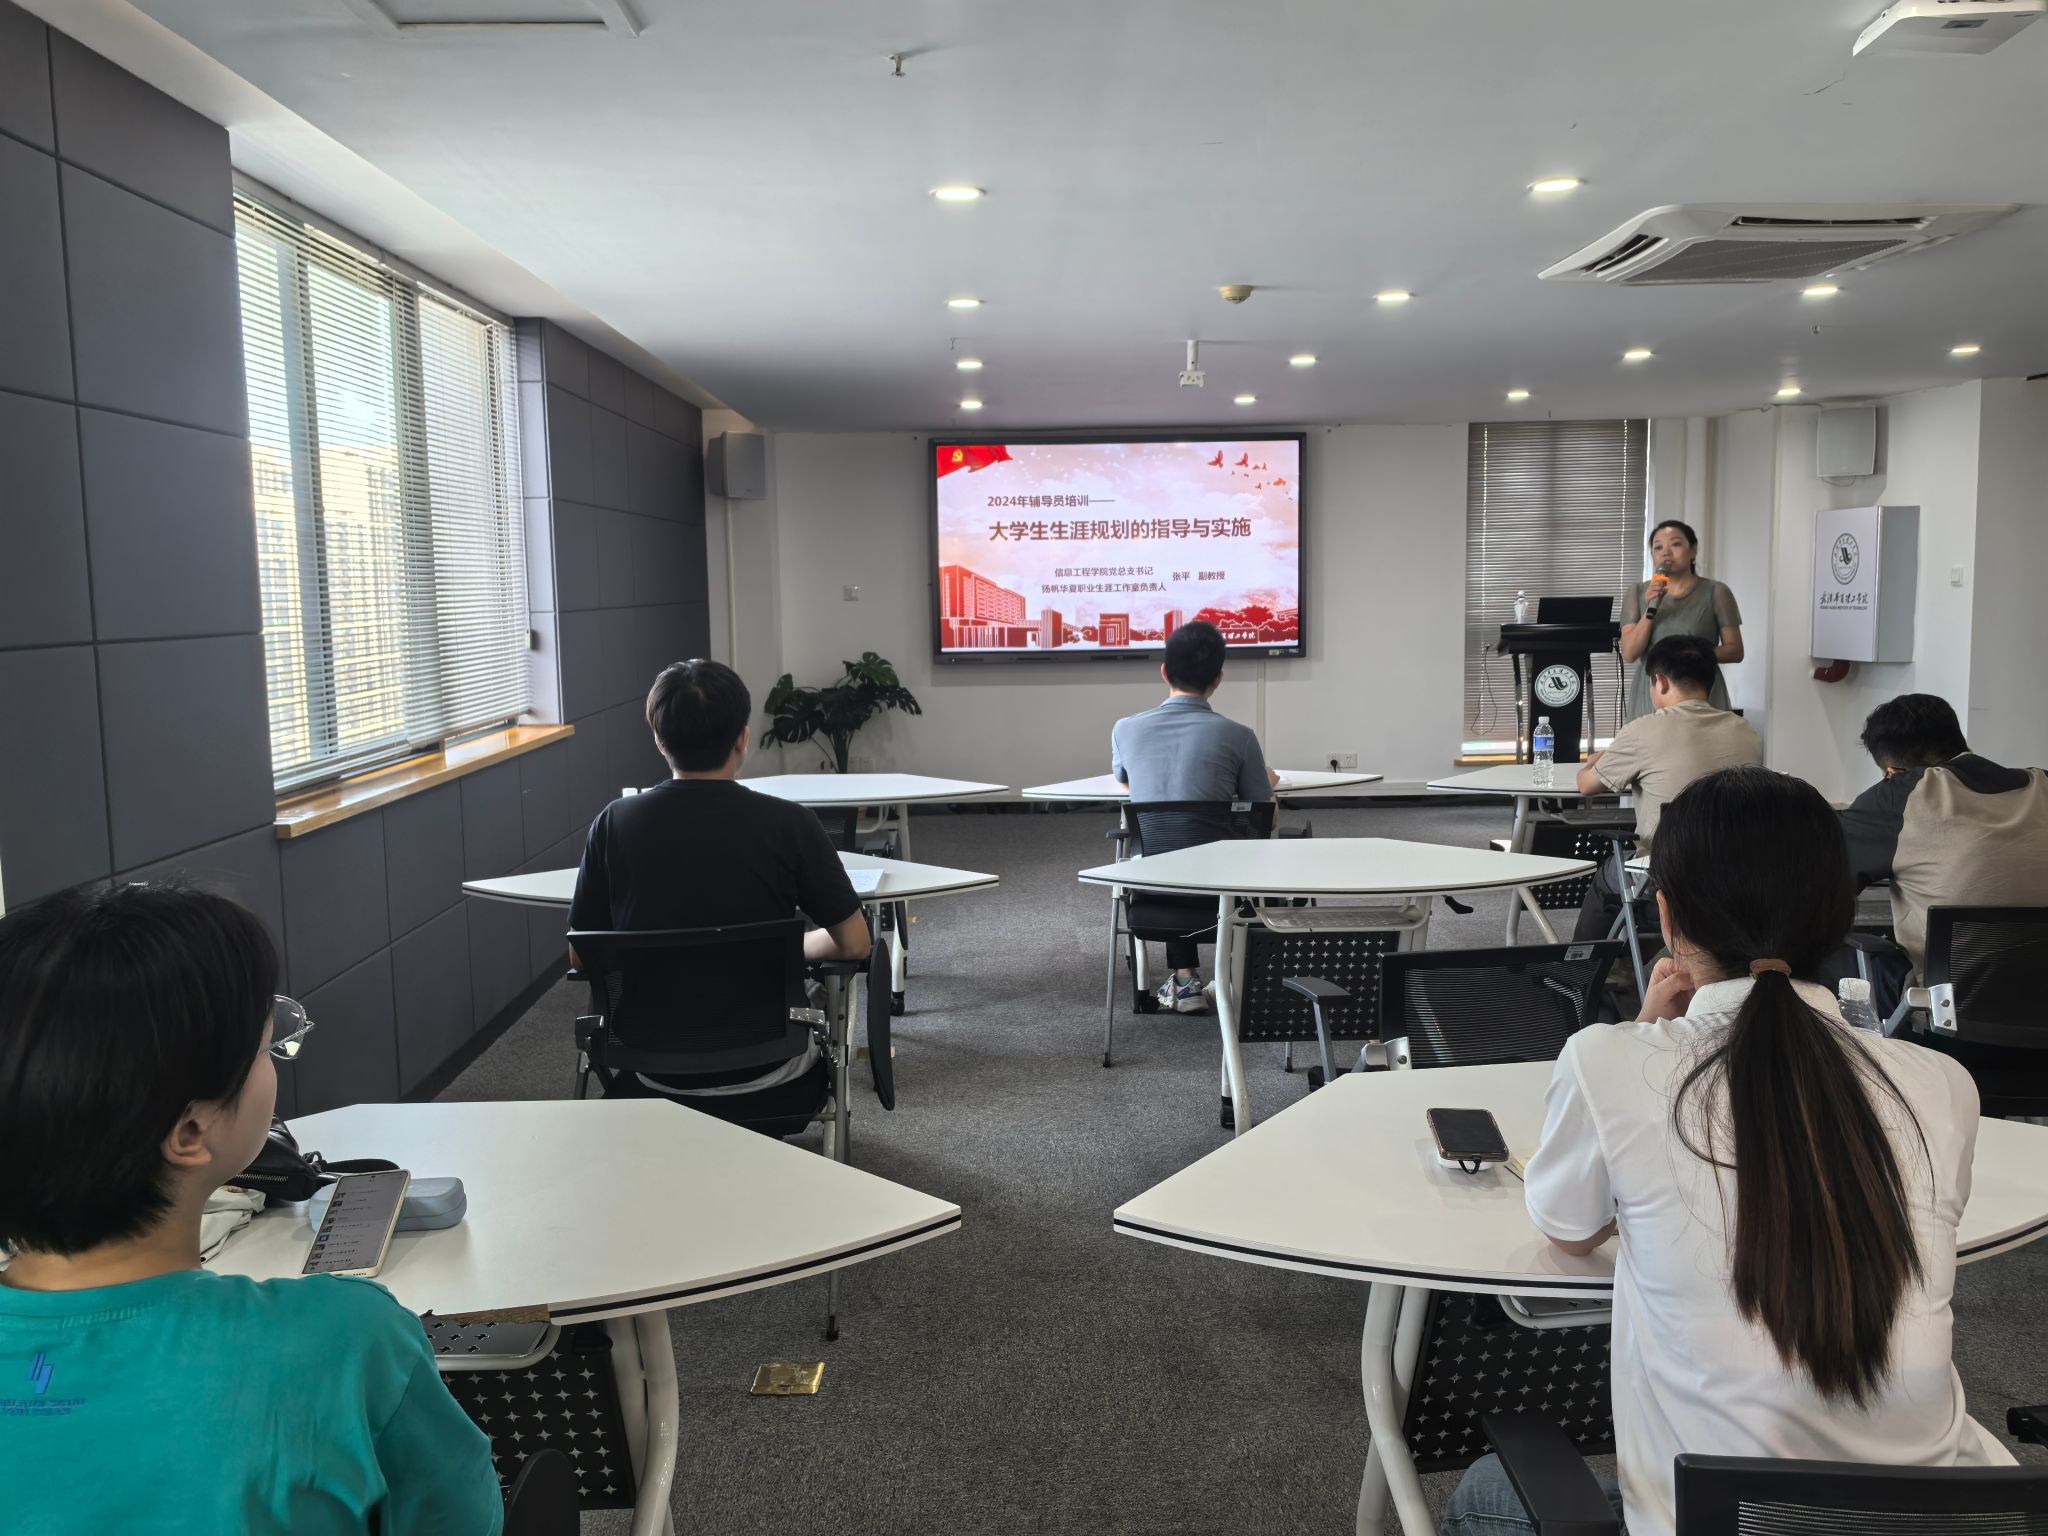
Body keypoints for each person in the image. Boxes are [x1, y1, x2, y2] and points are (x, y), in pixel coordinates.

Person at [1442, 766, 2004, 1536]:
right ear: (1840, 914)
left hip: (1717, 1518)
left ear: (1667, 916)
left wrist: (1644, 1032)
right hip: (1952, 1518)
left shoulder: (1610, 1062)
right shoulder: (1940, 1082)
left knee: (1483, 1491)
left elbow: (1568, 1230)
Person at [0, 884, 503, 1535]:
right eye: (265, 1048)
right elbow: (458, 1517)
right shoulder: (348, 1342)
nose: (274, 1065)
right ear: (191, 1131)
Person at [569, 658, 870, 1107]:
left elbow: (582, 954)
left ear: (659, 740)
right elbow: (855, 943)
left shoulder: (613, 824)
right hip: (771, 1068)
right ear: (742, 738)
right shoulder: (790, 824)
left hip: (650, 1067)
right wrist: (797, 946)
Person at [1839, 693, 2048, 1017]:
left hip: (1951, 1015)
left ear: (1893, 772)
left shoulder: (1903, 794)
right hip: (2039, 1010)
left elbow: (1817, 886)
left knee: (1823, 957)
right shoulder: (2043, 785)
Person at [1108, 620, 1278, 1012]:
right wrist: (1268, 783)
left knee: (1171, 845)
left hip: (1154, 890)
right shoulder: (1239, 737)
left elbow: (1125, 780)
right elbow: (1267, 819)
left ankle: (1185, 980)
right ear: (1218, 680)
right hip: (1226, 892)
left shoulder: (1125, 730)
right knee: (1205, 844)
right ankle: (1234, 975)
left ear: (1164, 672)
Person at [1572, 635, 1761, 940]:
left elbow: (1586, 786)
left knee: (1608, 879)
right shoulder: (1746, 732)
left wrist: (1594, 762)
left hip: (1665, 878)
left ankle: (1581, 966)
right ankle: (1636, 960)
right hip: (1733, 875)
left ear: (1659, 682)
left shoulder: (1644, 730)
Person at [1617, 519, 1743, 722]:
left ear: (1693, 551)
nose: (1666, 552)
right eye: (1658, 547)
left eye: (1675, 544)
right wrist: (1651, 607)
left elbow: (1735, 651)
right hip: (1654, 690)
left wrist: (1684, 656)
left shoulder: (1716, 591)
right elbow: (1630, 653)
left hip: (1701, 689)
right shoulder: (1636, 593)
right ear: (1652, 554)